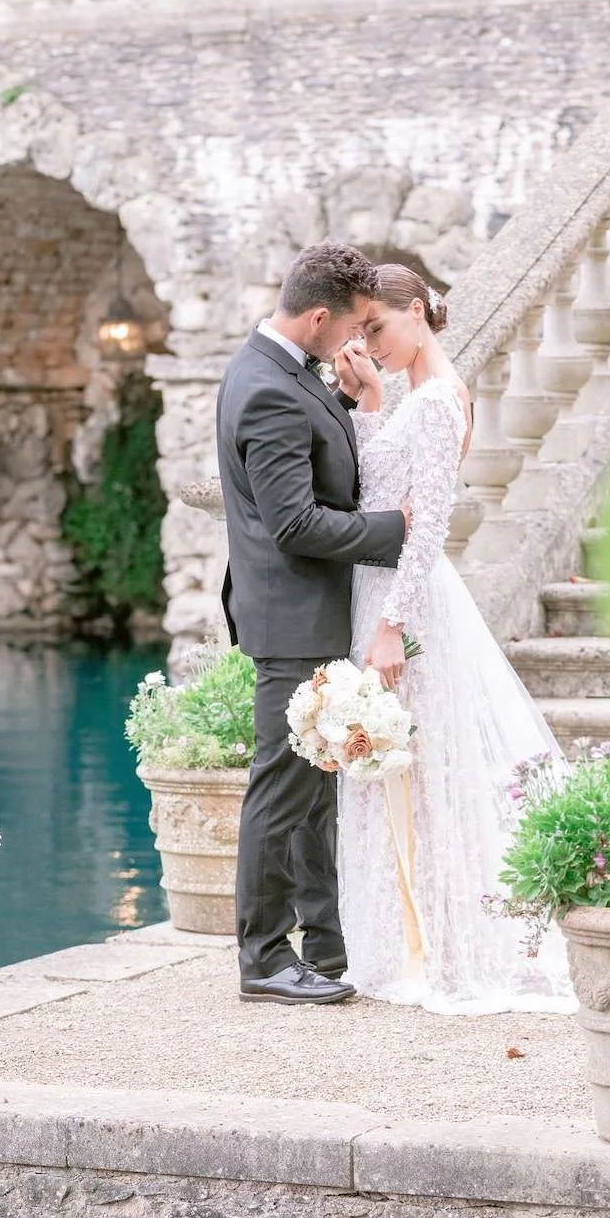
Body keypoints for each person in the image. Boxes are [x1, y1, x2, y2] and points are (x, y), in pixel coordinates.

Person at [335, 263, 574, 1012]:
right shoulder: (409, 396)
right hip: (376, 591)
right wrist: (369, 403)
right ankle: (398, 939)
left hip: (404, 604)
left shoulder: (440, 398)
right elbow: (379, 490)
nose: (370, 344)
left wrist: (391, 627)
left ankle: (442, 948)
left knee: (423, 766)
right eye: (361, 332)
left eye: (377, 328)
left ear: (417, 311)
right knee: (389, 771)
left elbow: (431, 521)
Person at [216, 243, 409, 1006]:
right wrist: (396, 528)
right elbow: (294, 523)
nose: (358, 338)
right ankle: (263, 958)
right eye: (353, 325)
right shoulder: (267, 388)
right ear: (319, 315)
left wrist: (356, 405)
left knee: (310, 793)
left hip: (305, 613)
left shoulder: (287, 372)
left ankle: (323, 945)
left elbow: (319, 465)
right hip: (291, 618)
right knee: (281, 792)